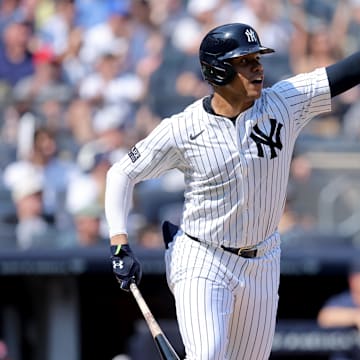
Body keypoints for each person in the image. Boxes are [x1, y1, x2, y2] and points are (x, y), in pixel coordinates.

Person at [104, 22, 360, 359]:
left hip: (263, 258)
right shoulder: (183, 129)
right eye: (245, 61)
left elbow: (344, 73)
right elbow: (121, 173)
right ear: (218, 70)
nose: (257, 67)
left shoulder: (284, 102)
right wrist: (119, 243)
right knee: (207, 353)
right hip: (203, 255)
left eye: (257, 58)